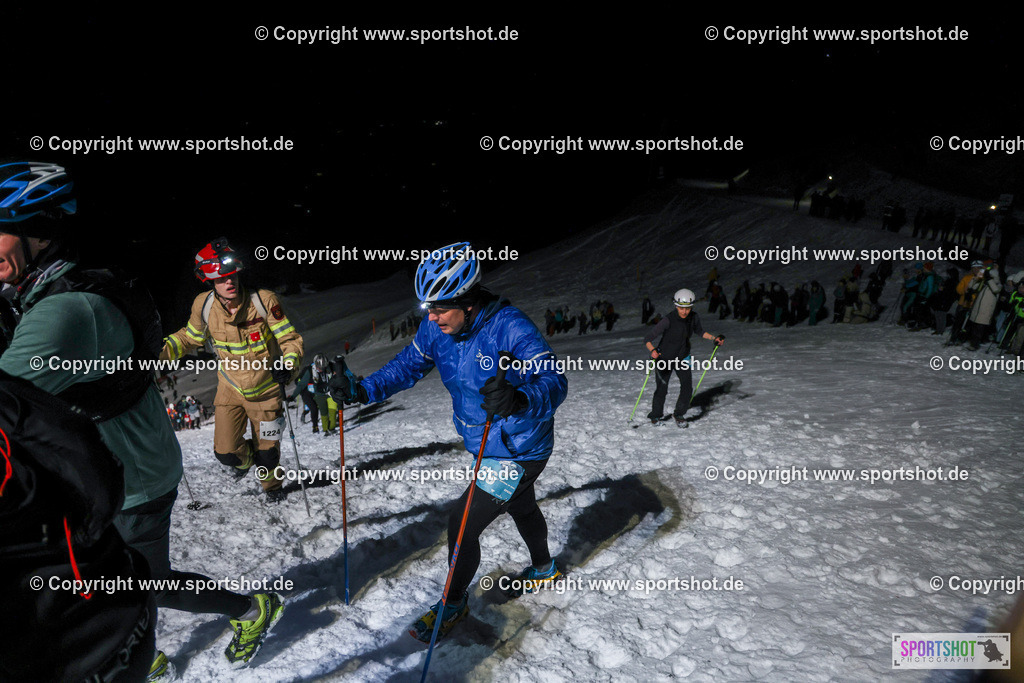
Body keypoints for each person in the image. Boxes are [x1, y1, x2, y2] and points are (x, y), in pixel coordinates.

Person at [0, 163, 283, 673]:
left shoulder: (65, 314)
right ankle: (131, 644)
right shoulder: (54, 291)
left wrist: (283, 357)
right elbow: (186, 337)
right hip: (109, 468)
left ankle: (248, 609)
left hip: (135, 478)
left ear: (40, 229)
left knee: (141, 580)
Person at [329, 241, 568, 641]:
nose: (432, 317)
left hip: (519, 448)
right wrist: (362, 391)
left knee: (461, 526)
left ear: (469, 301)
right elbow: (407, 365)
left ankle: (454, 604)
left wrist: (521, 398)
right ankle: (544, 567)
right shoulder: (436, 328)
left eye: (440, 308)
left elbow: (555, 382)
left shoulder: (510, 327)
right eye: (427, 308)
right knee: (522, 506)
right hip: (486, 443)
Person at [160, 237, 303, 496]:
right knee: (226, 452)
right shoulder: (203, 306)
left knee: (269, 455)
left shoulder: (264, 301)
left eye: (233, 276)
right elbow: (188, 337)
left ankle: (273, 488)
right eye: (223, 278)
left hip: (266, 390)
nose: (230, 282)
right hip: (231, 390)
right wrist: (154, 355)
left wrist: (289, 364)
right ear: (210, 281)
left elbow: (289, 340)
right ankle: (248, 461)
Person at [642, 289, 724, 425]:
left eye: (687, 308)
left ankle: (679, 414)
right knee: (662, 389)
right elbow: (648, 338)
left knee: (687, 387)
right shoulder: (668, 320)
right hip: (664, 358)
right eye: (681, 308)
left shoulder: (694, 317)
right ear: (676, 305)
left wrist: (714, 338)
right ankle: (655, 416)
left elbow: (699, 331)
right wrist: (652, 350)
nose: (684, 311)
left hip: (683, 357)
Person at [288, 359, 321, 433]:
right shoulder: (308, 370)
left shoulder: (317, 371)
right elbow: (300, 383)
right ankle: (314, 426)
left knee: (314, 407)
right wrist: (293, 396)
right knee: (313, 407)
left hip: (312, 391)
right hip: (305, 391)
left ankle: (313, 422)